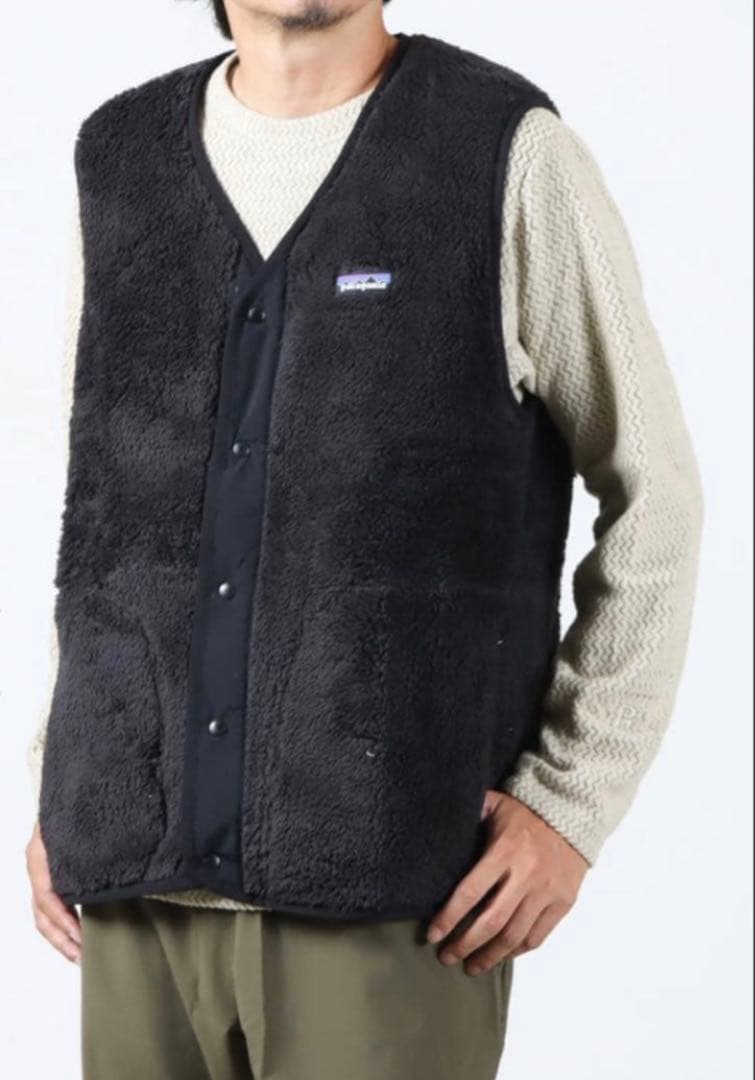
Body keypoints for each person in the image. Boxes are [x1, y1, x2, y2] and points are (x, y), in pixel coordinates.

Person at [25, 1, 704, 1077]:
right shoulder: (118, 159)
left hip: (397, 893)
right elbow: (106, 516)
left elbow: (656, 494)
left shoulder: (503, 151)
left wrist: (568, 805)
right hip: (130, 889)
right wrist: (57, 779)